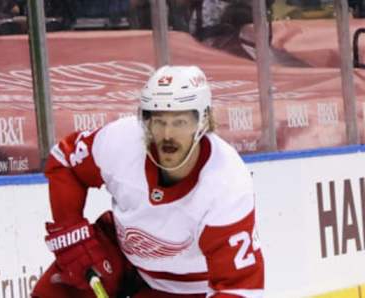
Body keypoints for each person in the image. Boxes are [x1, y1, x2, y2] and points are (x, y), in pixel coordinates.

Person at [32, 65, 265, 297]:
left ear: (203, 122)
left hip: (185, 290)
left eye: (179, 122)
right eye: (159, 121)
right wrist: (71, 233)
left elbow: (239, 288)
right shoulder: (122, 140)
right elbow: (65, 161)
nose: (167, 135)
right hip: (119, 258)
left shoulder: (225, 183)